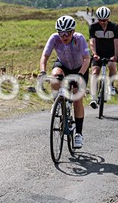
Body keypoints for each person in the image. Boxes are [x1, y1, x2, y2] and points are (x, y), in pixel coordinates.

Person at [39, 15, 91, 148]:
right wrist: (42, 72)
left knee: (77, 99)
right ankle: (58, 102)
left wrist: (80, 75)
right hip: (63, 65)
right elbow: (45, 56)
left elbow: (87, 59)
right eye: (61, 33)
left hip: (80, 68)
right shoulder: (54, 38)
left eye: (67, 32)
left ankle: (78, 134)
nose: (64, 36)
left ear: (73, 31)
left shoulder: (79, 39)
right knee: (55, 76)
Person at [88, 6, 118, 109]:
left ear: (108, 18)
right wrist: (94, 54)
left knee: (112, 66)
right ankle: (93, 97)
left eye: (105, 20)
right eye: (100, 20)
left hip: (110, 52)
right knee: (95, 72)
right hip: (98, 53)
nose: (103, 22)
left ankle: (111, 85)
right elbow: (92, 42)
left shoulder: (114, 27)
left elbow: (117, 42)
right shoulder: (93, 27)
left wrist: (116, 56)